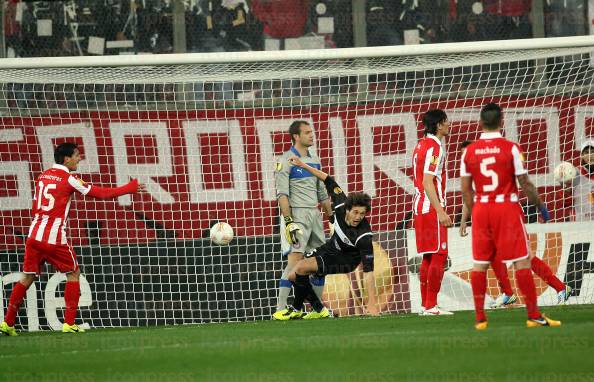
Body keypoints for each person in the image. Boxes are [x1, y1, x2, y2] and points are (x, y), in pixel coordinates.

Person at [0, 142, 145, 336]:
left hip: (33, 235)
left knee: (27, 277)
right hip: (54, 238)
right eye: (76, 155)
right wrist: (129, 187)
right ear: (66, 159)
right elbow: (99, 194)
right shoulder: (69, 179)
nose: (79, 158)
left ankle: (8, 322)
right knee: (73, 273)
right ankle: (69, 323)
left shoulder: (43, 176)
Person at [460, 103, 561, 330]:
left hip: (482, 209)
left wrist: (475, 212)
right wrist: (541, 207)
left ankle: (480, 319)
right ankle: (533, 315)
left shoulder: (469, 151)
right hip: (506, 208)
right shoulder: (511, 148)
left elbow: (466, 189)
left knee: (480, 264)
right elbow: (524, 183)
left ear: (480, 123)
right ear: (501, 122)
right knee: (521, 261)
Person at [459, 140, 571, 308]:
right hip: (489, 217)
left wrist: (539, 205)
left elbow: (520, 181)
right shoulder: (471, 170)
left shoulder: (492, 164)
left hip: (509, 213)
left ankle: (561, 288)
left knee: (526, 256)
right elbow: (468, 195)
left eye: (467, 152)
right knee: (493, 255)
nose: (465, 156)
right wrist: (463, 222)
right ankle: (507, 293)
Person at [273, 155, 380, 320]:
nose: (359, 217)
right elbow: (327, 178)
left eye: (363, 213)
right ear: (347, 209)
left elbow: (369, 272)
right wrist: (302, 164)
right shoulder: (339, 202)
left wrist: (372, 304)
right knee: (293, 275)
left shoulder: (363, 235)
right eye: (356, 212)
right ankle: (318, 309)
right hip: (331, 247)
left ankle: (295, 309)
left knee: (301, 269)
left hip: (346, 260)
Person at [272, 121, 333, 320]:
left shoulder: (315, 160)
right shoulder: (286, 161)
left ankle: (316, 311)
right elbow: (282, 195)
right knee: (295, 262)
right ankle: (280, 309)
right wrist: (288, 221)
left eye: (311, 132)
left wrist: (331, 218)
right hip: (296, 216)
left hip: (315, 215)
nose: (311, 135)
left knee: (321, 263)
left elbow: (322, 193)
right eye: (307, 133)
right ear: (296, 136)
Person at [412, 109, 453, 316]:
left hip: (420, 206)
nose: (449, 124)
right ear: (438, 125)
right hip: (431, 208)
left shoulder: (420, 145)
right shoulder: (435, 148)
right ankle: (431, 306)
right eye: (446, 121)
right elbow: (428, 181)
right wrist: (441, 211)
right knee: (439, 254)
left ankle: (425, 305)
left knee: (429, 256)